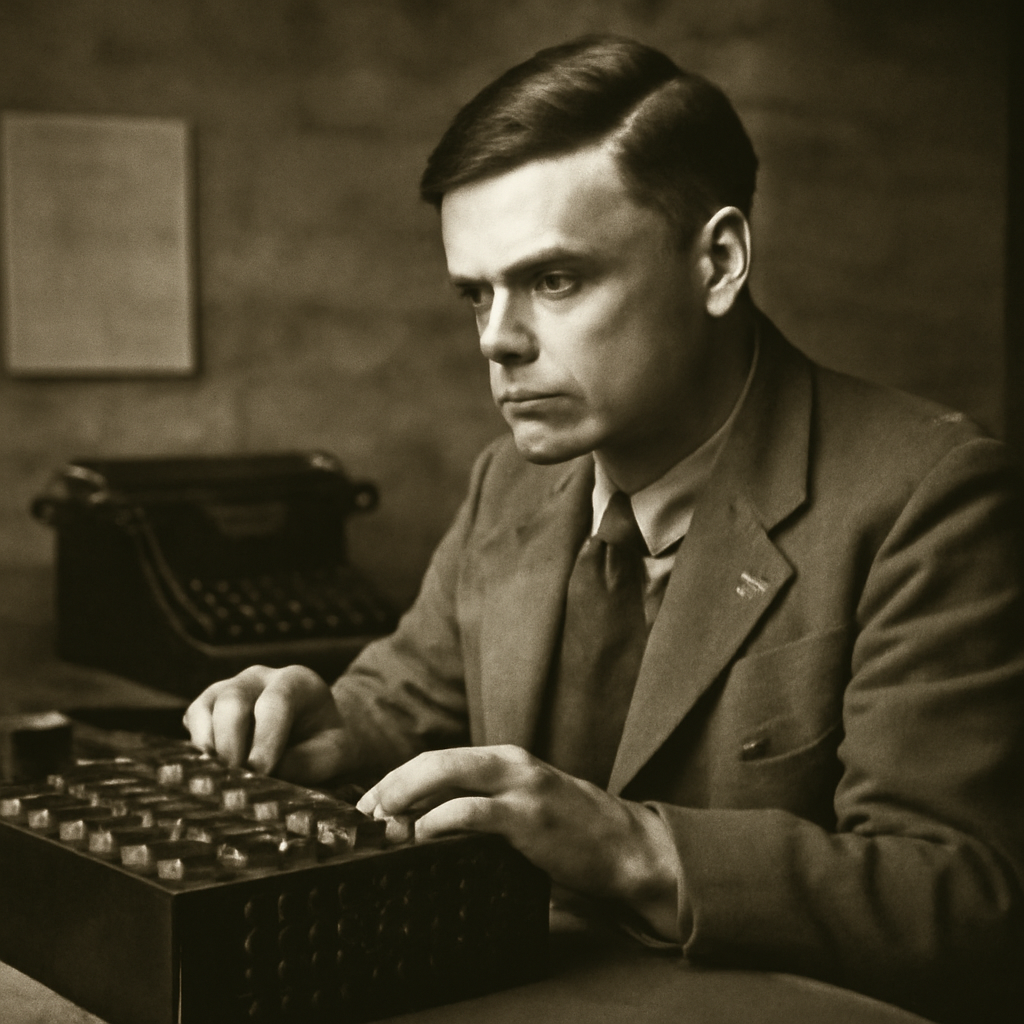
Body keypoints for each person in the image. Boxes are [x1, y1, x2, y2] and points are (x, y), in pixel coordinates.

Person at [184, 35, 1024, 1023]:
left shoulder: (931, 492)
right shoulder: (507, 482)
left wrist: (629, 845)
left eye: (554, 280)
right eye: (475, 291)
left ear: (716, 262)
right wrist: (325, 726)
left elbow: (962, 900)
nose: (495, 338)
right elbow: (406, 699)